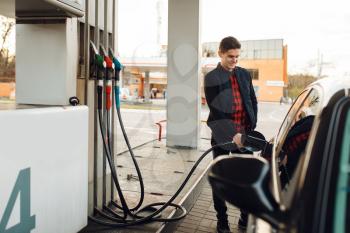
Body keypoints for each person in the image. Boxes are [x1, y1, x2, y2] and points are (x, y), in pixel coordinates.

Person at [204, 36, 258, 232]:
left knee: (248, 178)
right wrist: (232, 133)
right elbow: (216, 111)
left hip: (245, 135)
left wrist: (250, 127)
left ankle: (245, 217)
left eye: (237, 56)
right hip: (222, 136)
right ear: (220, 53)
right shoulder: (212, 78)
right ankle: (222, 220)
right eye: (230, 56)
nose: (234, 60)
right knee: (221, 179)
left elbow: (252, 100)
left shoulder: (244, 74)